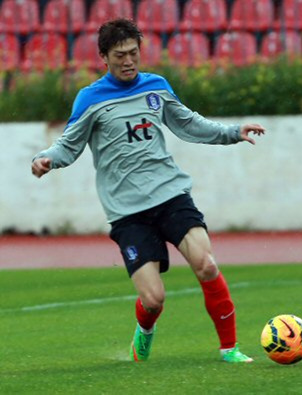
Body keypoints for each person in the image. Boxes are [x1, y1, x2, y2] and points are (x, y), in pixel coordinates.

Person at [31, 18, 265, 363]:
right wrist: (46, 158)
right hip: (127, 212)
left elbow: (189, 124)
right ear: (104, 58)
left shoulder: (156, 87)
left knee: (206, 265)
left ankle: (230, 349)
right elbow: (69, 145)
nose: (129, 61)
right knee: (154, 299)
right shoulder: (90, 98)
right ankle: (145, 332)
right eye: (120, 55)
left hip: (170, 194)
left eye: (134, 53)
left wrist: (233, 131)